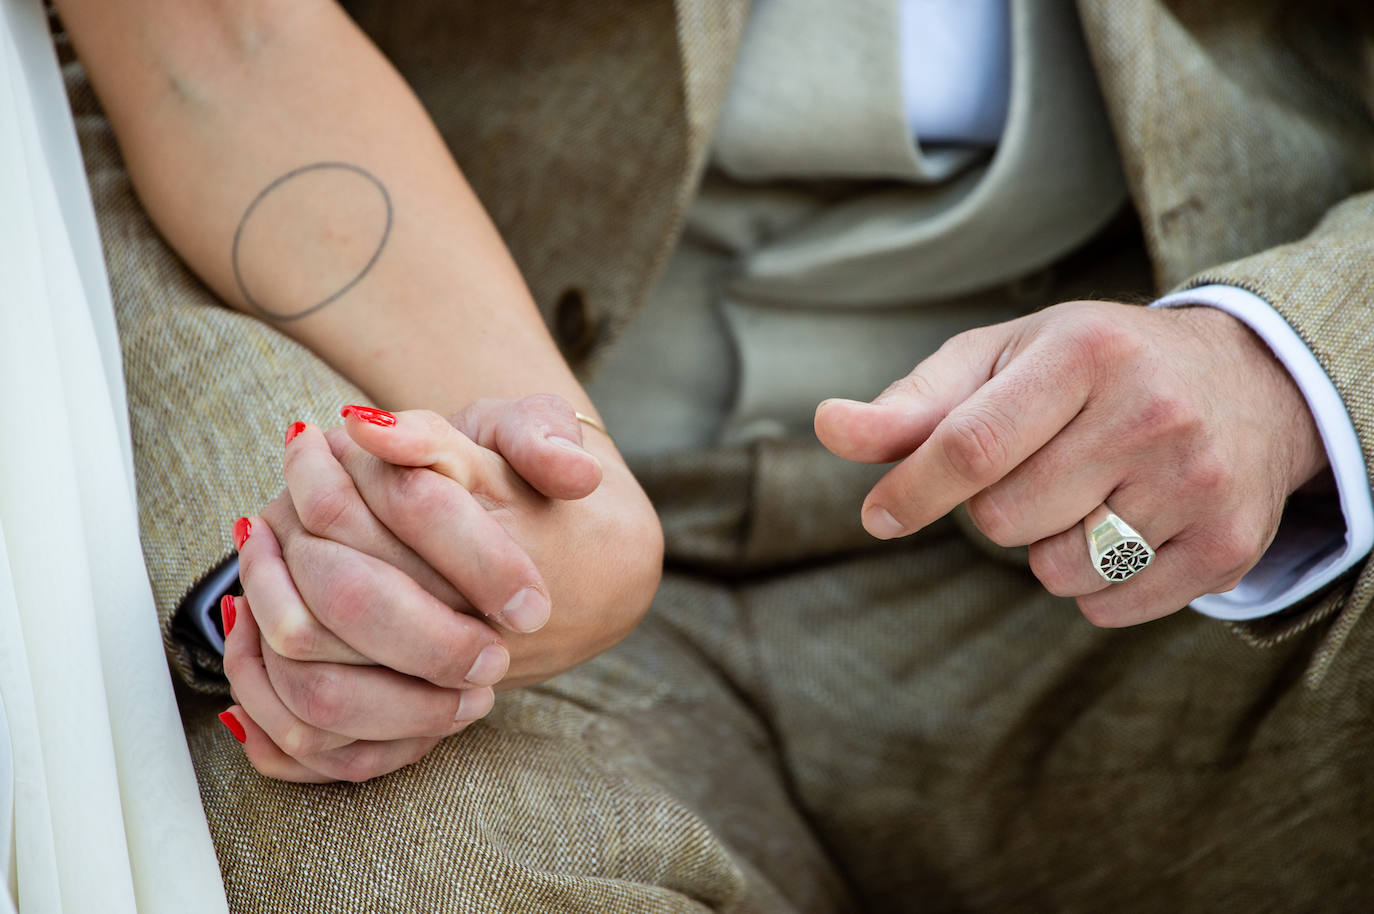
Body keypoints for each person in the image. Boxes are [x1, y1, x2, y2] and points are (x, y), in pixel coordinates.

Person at [54, 0, 1374, 910]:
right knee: (397, 864)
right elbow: (215, 46)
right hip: (431, 368)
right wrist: (499, 486)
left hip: (1144, 519)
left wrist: (1278, 359)